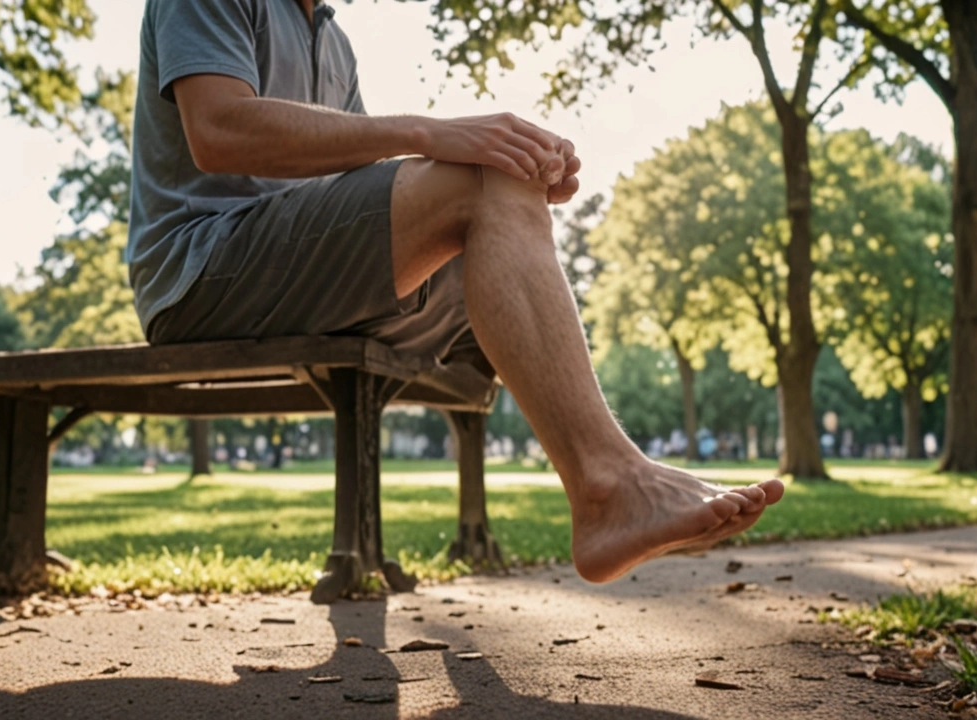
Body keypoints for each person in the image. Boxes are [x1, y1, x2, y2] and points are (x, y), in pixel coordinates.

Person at [128, 0, 784, 583]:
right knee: (478, 180)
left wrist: (520, 193)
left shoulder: (331, 37)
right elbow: (218, 131)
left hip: (297, 275)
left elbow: (351, 183)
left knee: (500, 191)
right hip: (202, 271)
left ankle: (616, 477)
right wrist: (430, 135)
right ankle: (609, 485)